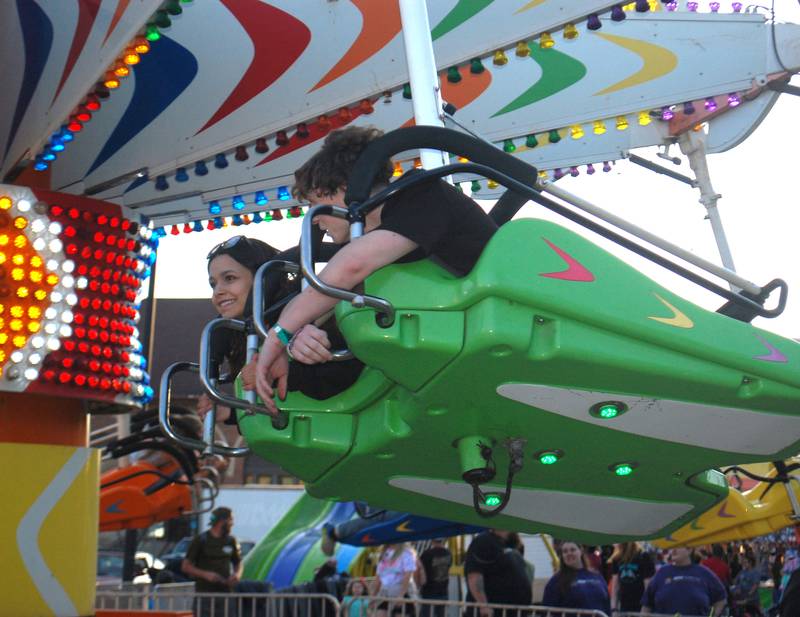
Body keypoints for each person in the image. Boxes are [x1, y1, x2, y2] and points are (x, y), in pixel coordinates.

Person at [254, 126, 498, 414]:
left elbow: (350, 267)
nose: (316, 220)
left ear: (340, 188)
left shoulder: (421, 193)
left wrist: (277, 337)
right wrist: (294, 337)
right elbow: (325, 299)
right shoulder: (388, 247)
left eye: (314, 202)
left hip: (505, 313)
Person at [182, 507, 243, 616]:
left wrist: (237, 574)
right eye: (230, 520)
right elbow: (186, 566)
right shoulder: (201, 540)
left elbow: (238, 563)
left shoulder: (231, 540)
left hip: (226, 594)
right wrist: (205, 574)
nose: (232, 524)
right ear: (221, 522)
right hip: (205, 595)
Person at [641, 546, 726, 616]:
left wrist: (713, 615)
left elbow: (721, 598)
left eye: (678, 546)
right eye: (672, 546)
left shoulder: (704, 573)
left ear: (689, 549)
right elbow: (646, 605)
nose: (673, 550)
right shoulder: (662, 573)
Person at [464, 529, 532, 617]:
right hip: (492, 612)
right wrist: (483, 605)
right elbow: (474, 575)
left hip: (512, 612)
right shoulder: (484, 541)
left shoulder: (512, 544)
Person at [541, 541, 610, 615]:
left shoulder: (596, 576)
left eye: (572, 550)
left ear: (581, 551)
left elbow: (607, 603)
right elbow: (547, 610)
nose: (569, 553)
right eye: (565, 551)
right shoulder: (556, 581)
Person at [370, 543, 418, 617]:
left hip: (402, 591)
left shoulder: (407, 553)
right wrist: (373, 596)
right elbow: (378, 577)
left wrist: (401, 595)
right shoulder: (384, 554)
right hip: (385, 593)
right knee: (380, 614)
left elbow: (408, 575)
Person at [608, 541, 655, 613]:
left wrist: (645, 610)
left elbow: (648, 588)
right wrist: (614, 609)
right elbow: (615, 587)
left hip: (640, 607)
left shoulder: (643, 556)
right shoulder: (617, 559)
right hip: (624, 607)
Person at [418, 538, 452, 617]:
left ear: (432, 541)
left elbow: (420, 570)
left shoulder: (426, 554)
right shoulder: (448, 553)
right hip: (443, 592)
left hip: (428, 592)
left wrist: (419, 585)